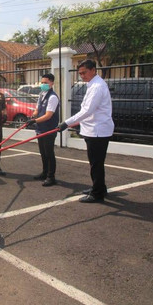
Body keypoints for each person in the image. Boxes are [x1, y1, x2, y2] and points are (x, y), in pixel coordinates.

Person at [60, 59, 114, 203]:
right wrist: (72, 123)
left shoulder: (97, 86)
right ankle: (99, 187)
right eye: (80, 73)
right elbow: (88, 111)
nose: (82, 76)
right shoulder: (94, 84)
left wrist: (66, 123)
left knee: (96, 163)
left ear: (93, 70)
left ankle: (97, 194)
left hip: (98, 131)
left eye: (84, 73)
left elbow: (87, 110)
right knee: (96, 163)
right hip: (94, 129)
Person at [25, 73, 60, 187]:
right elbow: (37, 109)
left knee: (49, 153)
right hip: (40, 129)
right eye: (42, 82)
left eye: (46, 83)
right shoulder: (42, 94)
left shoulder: (53, 97)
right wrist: (33, 116)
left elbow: (48, 115)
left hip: (49, 129)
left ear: (52, 83)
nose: (43, 85)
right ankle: (45, 173)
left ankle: (51, 176)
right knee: (43, 153)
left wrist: (35, 121)